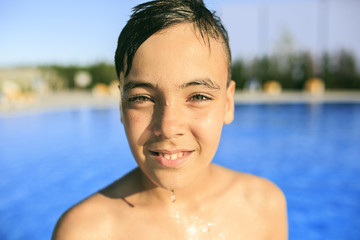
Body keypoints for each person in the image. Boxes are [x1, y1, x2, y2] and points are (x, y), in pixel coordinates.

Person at [52, 0, 288, 239]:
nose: (167, 127)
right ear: (121, 107)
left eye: (198, 96)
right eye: (142, 98)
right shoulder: (86, 232)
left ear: (228, 103)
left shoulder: (263, 206)